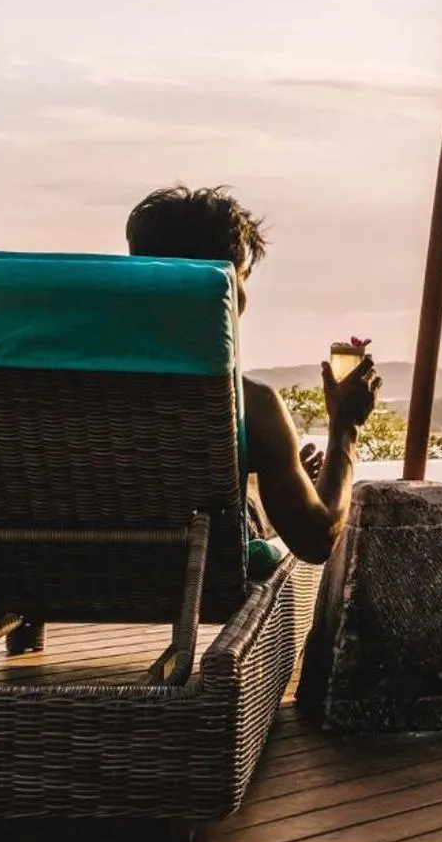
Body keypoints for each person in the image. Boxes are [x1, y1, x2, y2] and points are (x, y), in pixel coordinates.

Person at [125, 184, 379, 566]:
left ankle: (259, 499)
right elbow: (316, 538)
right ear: (226, 290)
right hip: (195, 578)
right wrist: (345, 426)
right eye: (243, 276)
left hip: (50, 572)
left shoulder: (50, 390)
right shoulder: (247, 407)